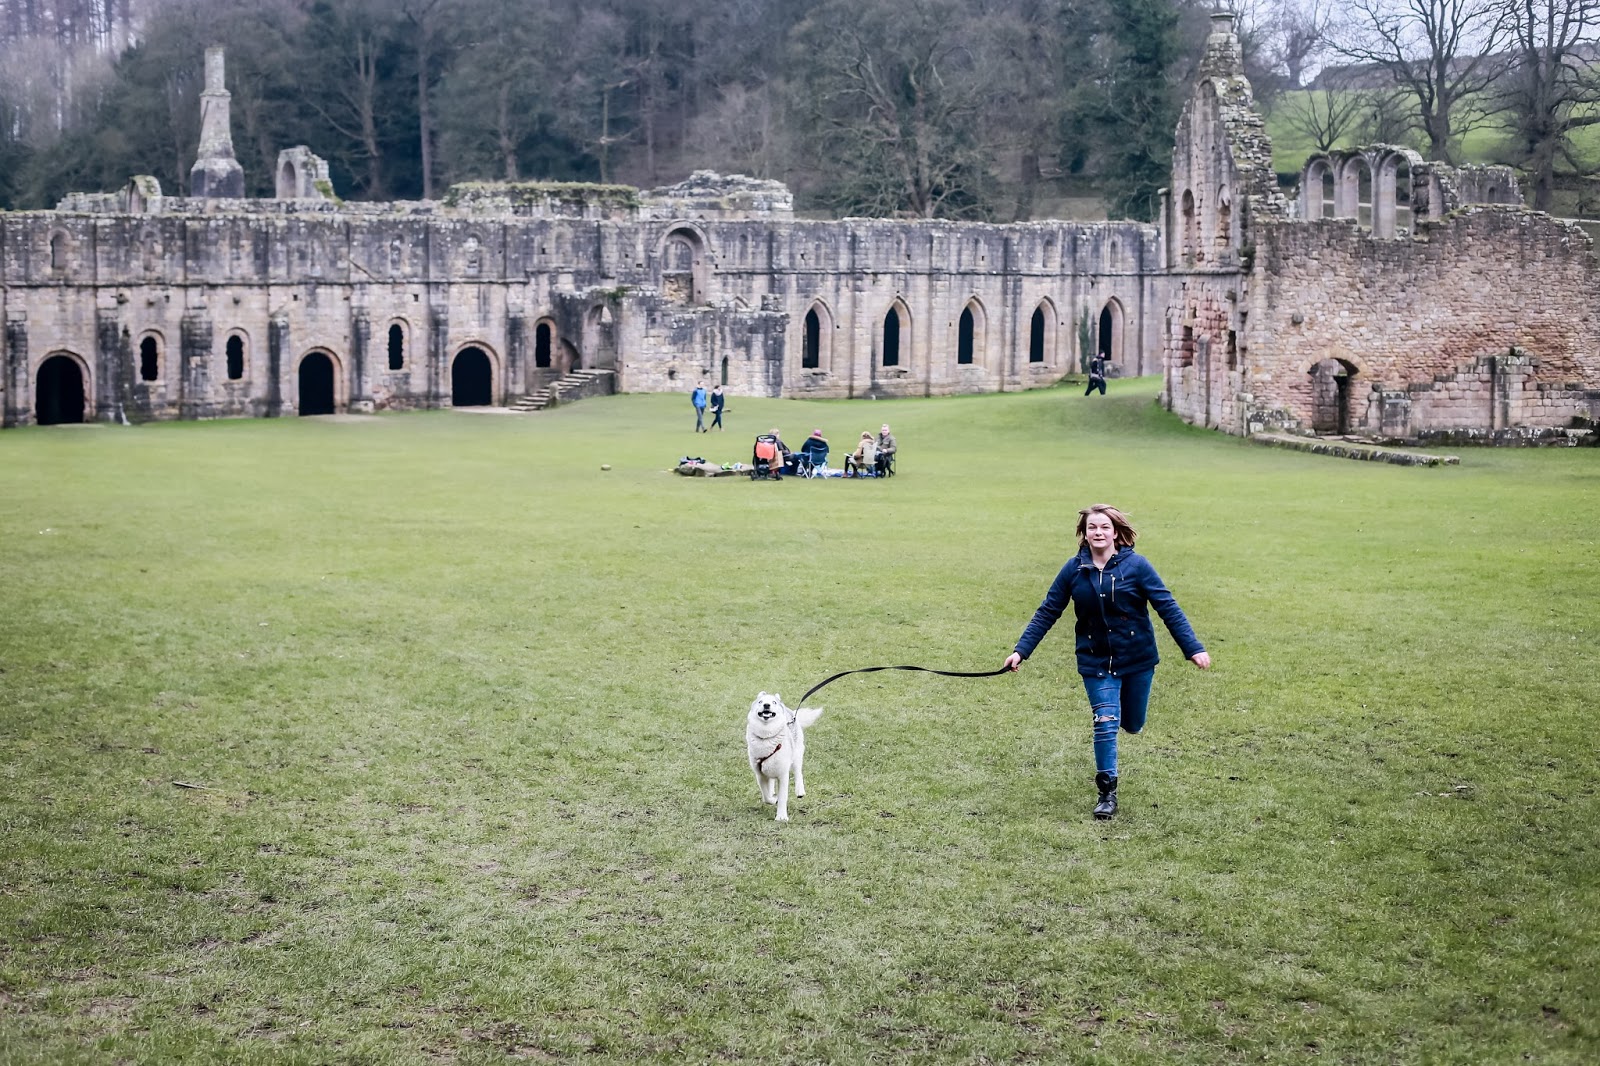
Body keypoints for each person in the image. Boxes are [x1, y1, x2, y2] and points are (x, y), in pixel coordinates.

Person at [1002, 504, 1210, 820]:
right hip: (1095, 661)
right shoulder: (1073, 570)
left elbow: (1168, 607)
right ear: (1084, 534)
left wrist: (1193, 647)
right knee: (1105, 722)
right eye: (1092, 528)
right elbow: (1048, 610)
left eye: (1104, 527)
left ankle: (1124, 716)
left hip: (1137, 658)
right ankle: (1107, 793)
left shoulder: (1137, 566)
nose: (1098, 533)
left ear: (1116, 532)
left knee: (1133, 722)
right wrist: (1021, 651)